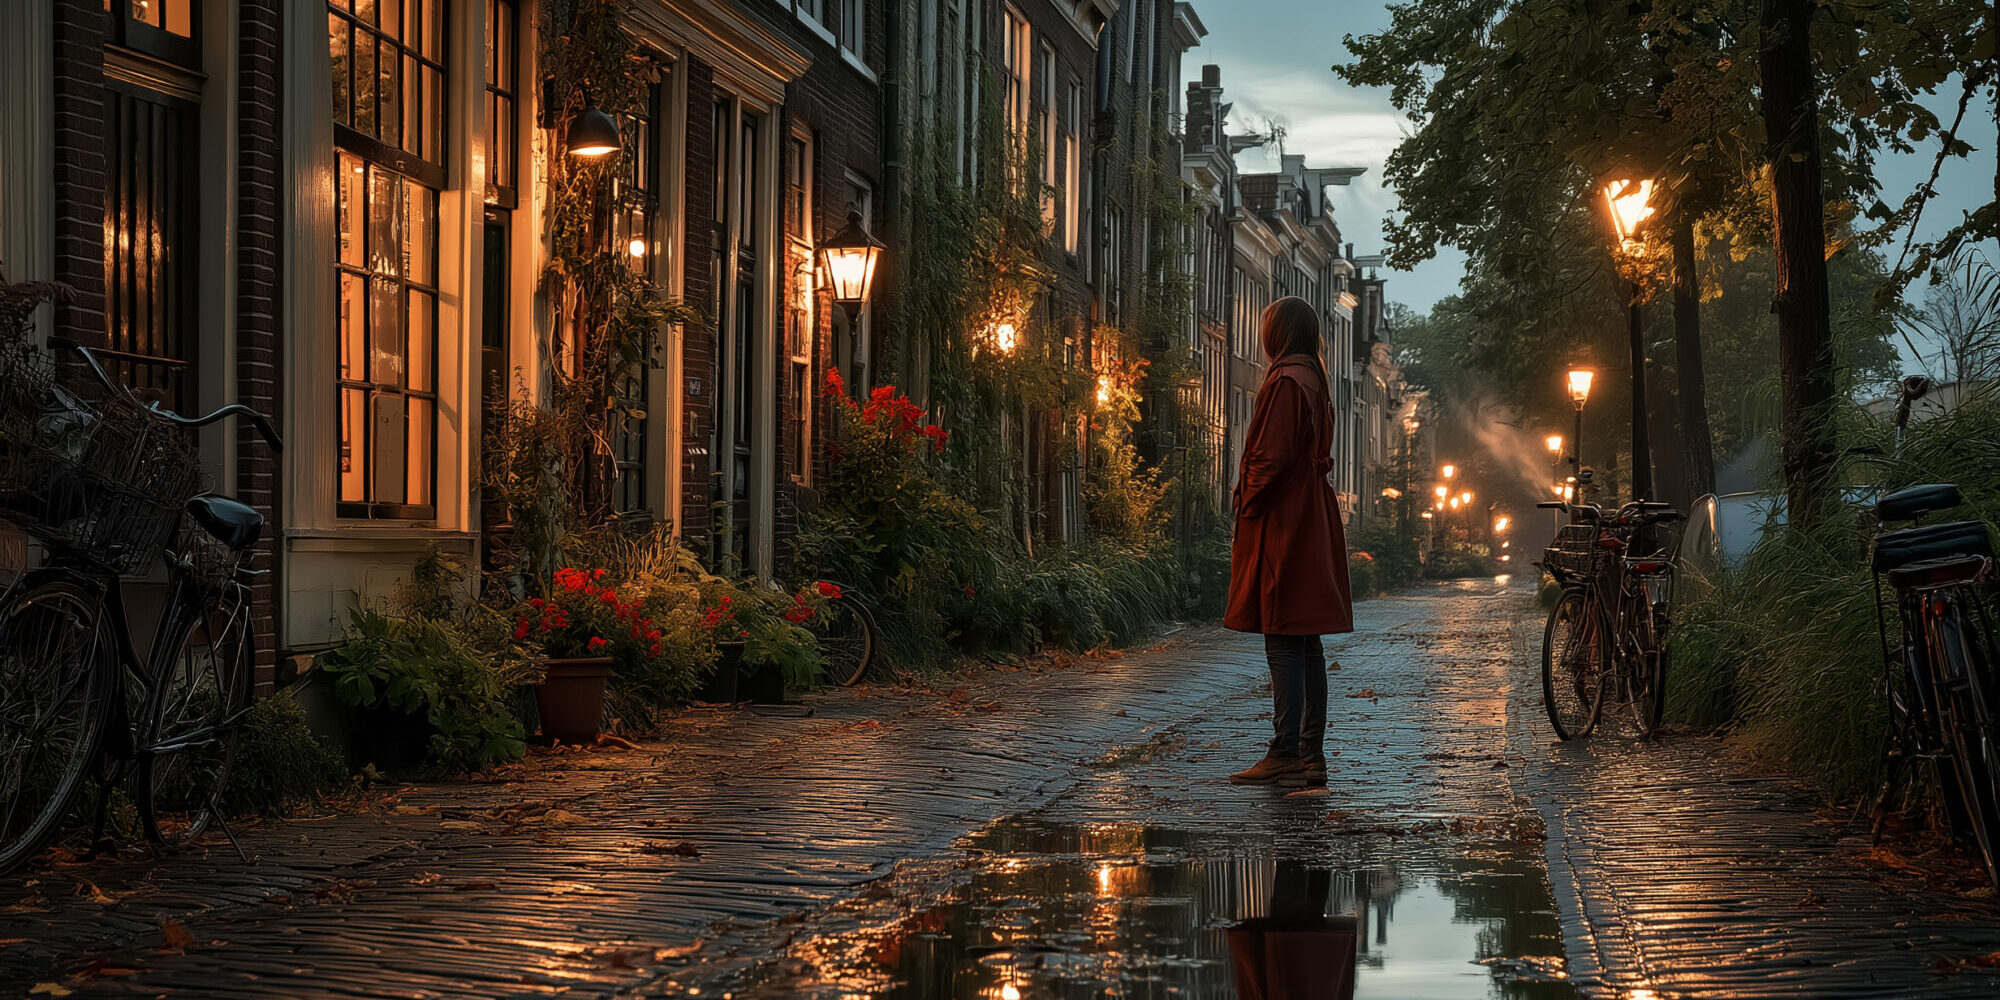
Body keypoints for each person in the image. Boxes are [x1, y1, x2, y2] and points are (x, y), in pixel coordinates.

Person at [1224, 296, 1354, 788]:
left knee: (1282, 629)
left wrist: (1248, 502)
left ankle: (1284, 753)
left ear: (1276, 333)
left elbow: (1271, 457)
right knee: (1306, 639)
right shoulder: (1315, 380)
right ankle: (1310, 754)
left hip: (1286, 518)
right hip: (1311, 512)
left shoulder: (1284, 381)